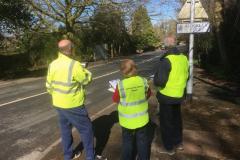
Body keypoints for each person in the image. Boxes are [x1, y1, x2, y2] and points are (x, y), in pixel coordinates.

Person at [46, 39, 95, 160]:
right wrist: (87, 72)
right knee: (86, 130)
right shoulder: (75, 65)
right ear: (70, 49)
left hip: (58, 103)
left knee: (65, 129)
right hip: (73, 104)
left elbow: (48, 86)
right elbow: (85, 80)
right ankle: (90, 157)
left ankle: (68, 155)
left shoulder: (52, 64)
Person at [112, 59, 151, 160]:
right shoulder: (143, 81)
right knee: (142, 141)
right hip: (142, 118)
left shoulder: (120, 85)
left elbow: (115, 99)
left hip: (127, 120)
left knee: (127, 142)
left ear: (123, 71)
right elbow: (148, 94)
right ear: (134, 68)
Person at [153, 47, 189, 155]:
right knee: (177, 120)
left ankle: (169, 148)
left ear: (166, 51)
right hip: (179, 95)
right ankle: (178, 143)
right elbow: (187, 75)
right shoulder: (184, 58)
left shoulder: (167, 60)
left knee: (166, 123)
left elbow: (159, 81)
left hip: (167, 96)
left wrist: (155, 78)